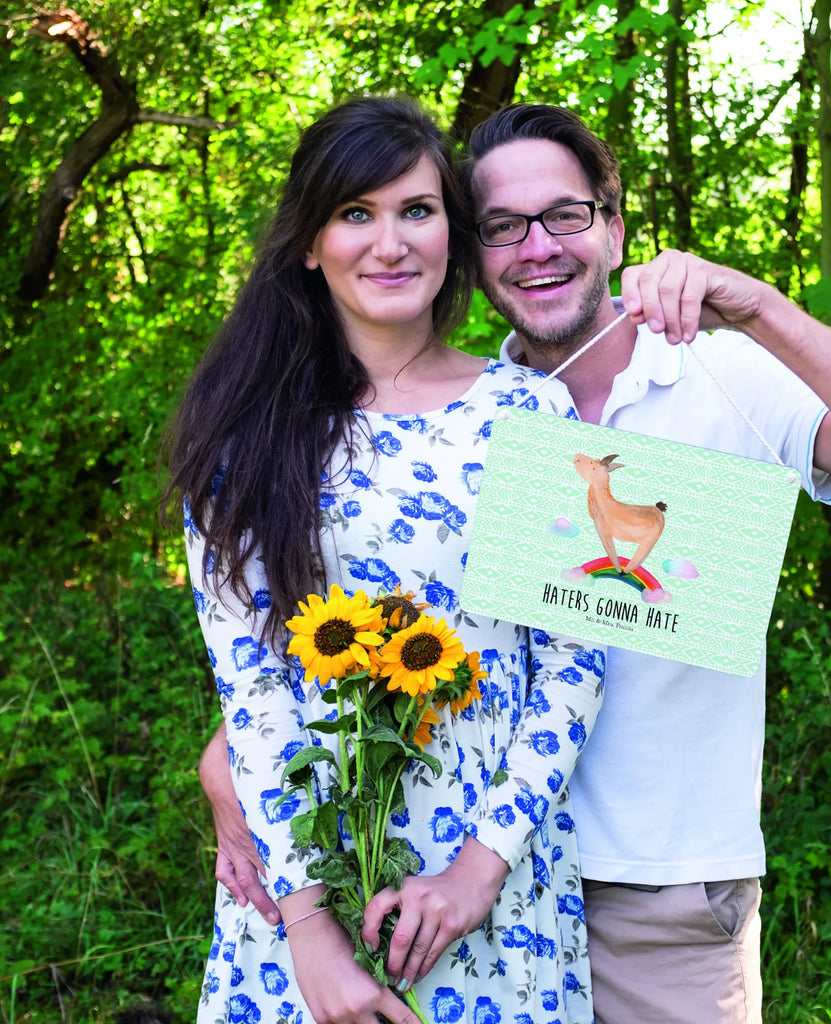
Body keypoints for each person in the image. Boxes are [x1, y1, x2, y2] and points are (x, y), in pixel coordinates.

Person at [202, 102, 831, 1024]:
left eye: (565, 215)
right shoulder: (455, 417)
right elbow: (340, 633)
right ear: (474, 250)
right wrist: (235, 767)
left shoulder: (707, 374)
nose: (537, 247)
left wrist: (759, 306)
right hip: (440, 877)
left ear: (612, 226)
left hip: (655, 887)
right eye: (502, 226)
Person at [165, 96, 607, 1024]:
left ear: (452, 229)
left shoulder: (529, 414)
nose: (390, 242)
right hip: (303, 888)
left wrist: (478, 873)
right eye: (355, 214)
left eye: (417, 210)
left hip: (492, 888)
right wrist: (311, 936)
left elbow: (574, 661)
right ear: (308, 243)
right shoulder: (245, 436)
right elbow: (252, 690)